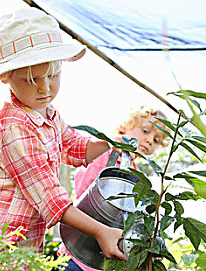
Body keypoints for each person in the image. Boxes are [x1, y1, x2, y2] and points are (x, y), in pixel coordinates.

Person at [0, 7, 127, 263]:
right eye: (31, 79)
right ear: (7, 77)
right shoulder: (14, 125)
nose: (45, 87)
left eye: (53, 75)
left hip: (23, 241)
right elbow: (47, 192)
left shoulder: (48, 115)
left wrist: (109, 144)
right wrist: (100, 230)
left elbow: (75, 147)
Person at [58, 105, 170, 271]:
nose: (149, 141)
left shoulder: (138, 177)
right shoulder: (106, 154)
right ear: (125, 127)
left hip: (102, 261)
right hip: (75, 256)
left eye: (155, 140)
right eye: (146, 131)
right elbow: (85, 194)